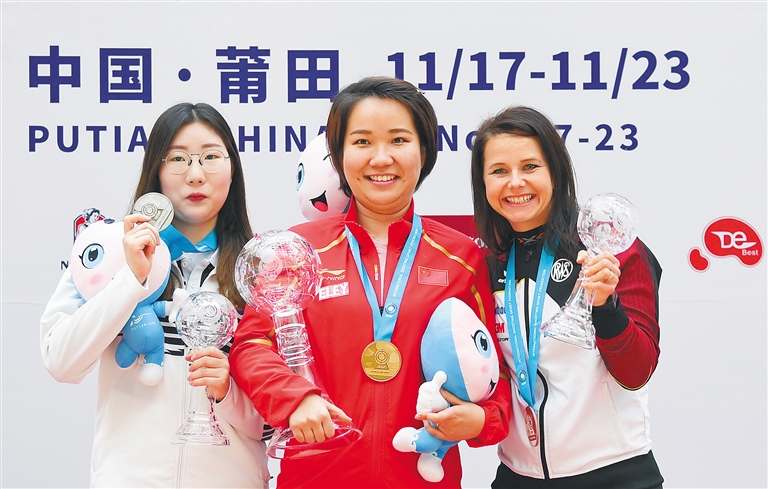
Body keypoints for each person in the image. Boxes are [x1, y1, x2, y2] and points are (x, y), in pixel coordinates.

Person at [230, 76, 511, 488]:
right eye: (362, 141)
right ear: (339, 154)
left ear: (424, 151)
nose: (381, 158)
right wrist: (294, 397)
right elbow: (252, 344)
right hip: (315, 476)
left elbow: (495, 366)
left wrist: (483, 418)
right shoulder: (297, 249)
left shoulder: (461, 257)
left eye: (398, 140)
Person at [40, 102, 271, 488]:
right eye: (178, 159)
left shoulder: (262, 269)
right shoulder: (108, 252)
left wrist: (227, 392)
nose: (195, 175)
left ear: (233, 168)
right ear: (156, 171)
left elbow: (274, 421)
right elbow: (61, 362)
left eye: (211, 157)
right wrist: (131, 280)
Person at [470, 105, 664, 488]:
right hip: (518, 475)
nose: (515, 183)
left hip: (613, 475)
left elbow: (637, 372)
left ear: (556, 171)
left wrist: (605, 306)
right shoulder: (487, 262)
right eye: (499, 171)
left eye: (530, 166)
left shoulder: (609, 250)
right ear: (483, 183)